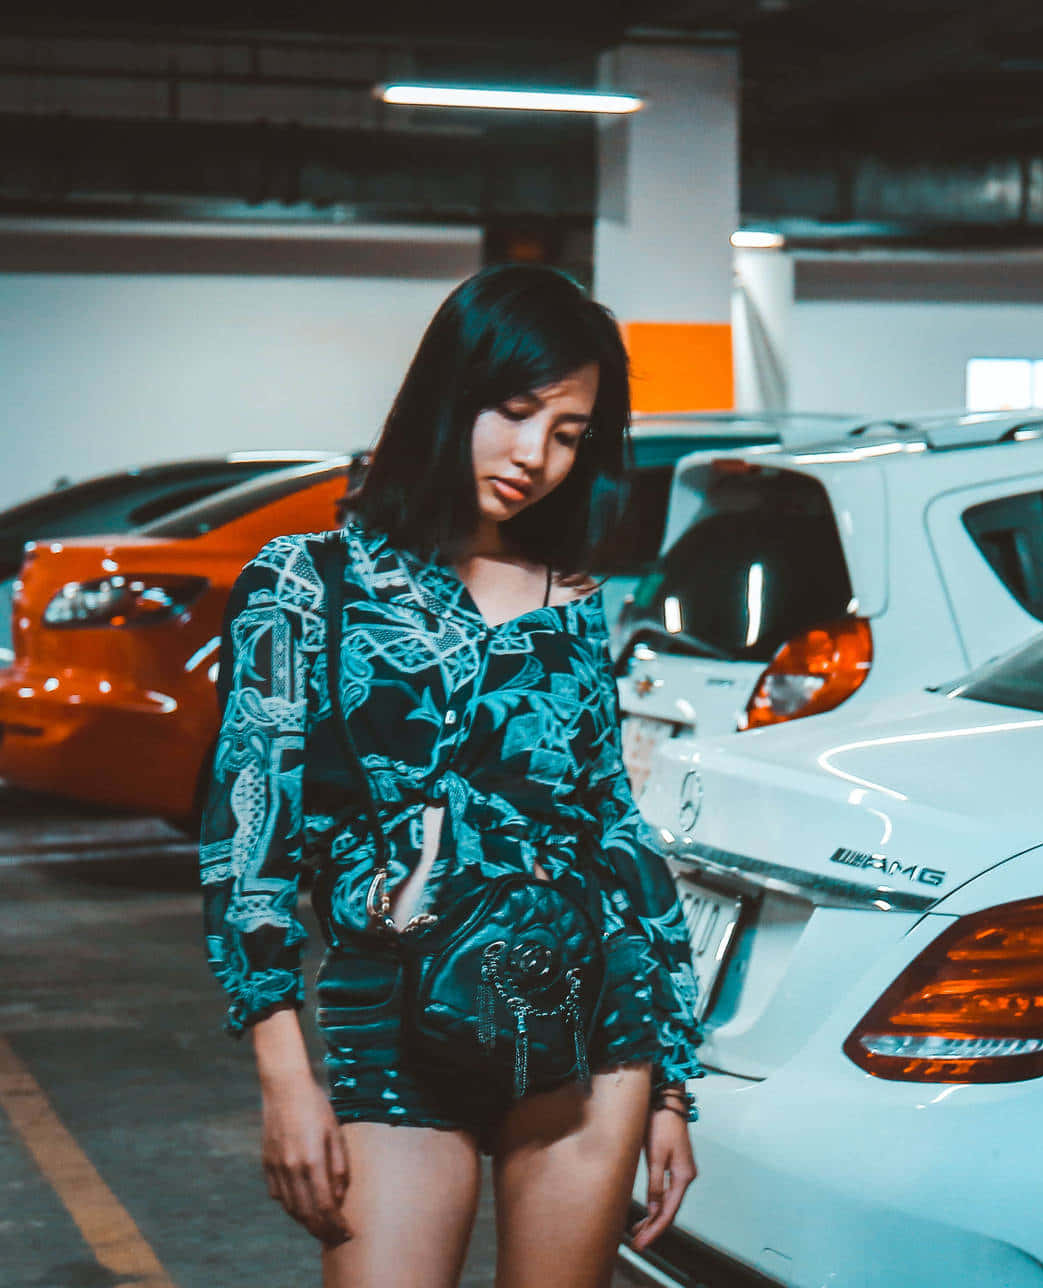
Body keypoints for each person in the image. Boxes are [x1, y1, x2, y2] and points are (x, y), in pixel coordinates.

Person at [199, 264, 703, 1287]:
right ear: (448, 393)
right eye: (516, 412)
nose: (536, 457)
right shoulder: (306, 583)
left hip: (577, 1023)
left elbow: (613, 836)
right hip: (390, 1020)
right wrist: (284, 1077)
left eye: (569, 433)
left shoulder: (570, 599)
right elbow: (249, 846)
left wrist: (670, 1087)